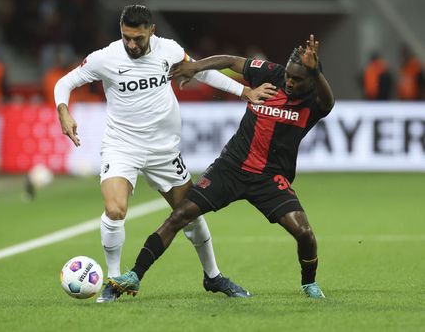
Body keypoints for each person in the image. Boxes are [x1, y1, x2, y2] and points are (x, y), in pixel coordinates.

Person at [54, 4, 266, 303]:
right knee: (115, 210)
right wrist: (63, 110)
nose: (131, 44)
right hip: (122, 145)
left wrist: (244, 92)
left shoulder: (169, 50)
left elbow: (201, 73)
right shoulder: (106, 58)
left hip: (164, 151)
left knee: (190, 213)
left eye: (137, 38)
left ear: (151, 31)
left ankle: (214, 277)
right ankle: (114, 282)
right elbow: (66, 82)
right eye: (126, 37)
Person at [110, 34, 335, 299]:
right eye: (289, 75)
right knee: (180, 216)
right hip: (231, 168)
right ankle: (135, 275)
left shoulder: (313, 101)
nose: (289, 81)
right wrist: (196, 67)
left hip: (270, 178)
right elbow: (231, 60)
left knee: (304, 233)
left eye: (297, 79)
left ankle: (309, 283)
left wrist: (316, 72)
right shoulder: (272, 74)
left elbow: (329, 102)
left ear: (310, 80)